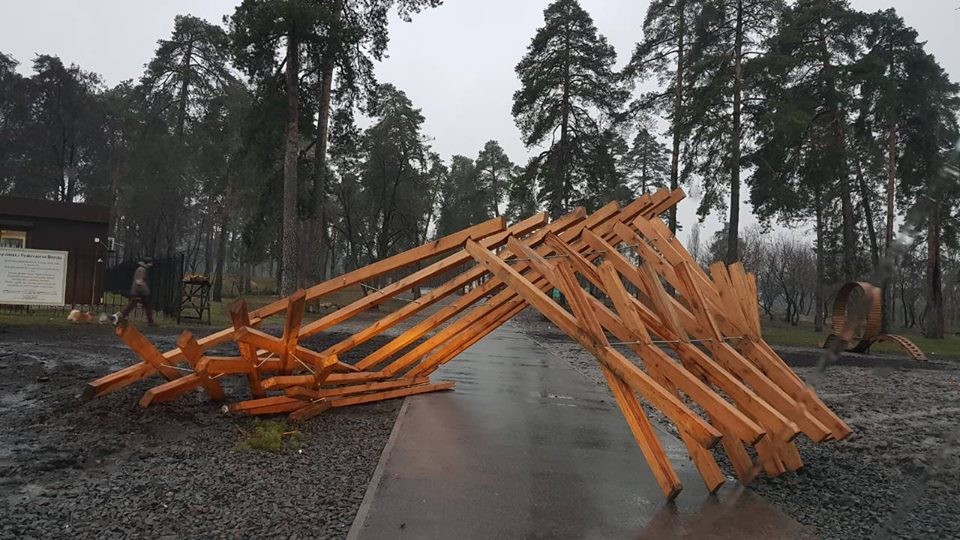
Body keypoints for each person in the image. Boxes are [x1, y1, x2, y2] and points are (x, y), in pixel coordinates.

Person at [112, 258, 155, 326]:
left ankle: (151, 321)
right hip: (139, 291)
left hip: (138, 291)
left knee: (144, 306)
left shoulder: (141, 269)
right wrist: (146, 290)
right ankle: (118, 318)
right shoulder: (142, 270)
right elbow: (139, 281)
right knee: (132, 306)